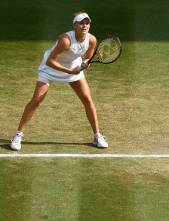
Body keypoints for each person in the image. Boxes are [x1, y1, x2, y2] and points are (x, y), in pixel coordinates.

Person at [10, 12, 107, 151]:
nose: (84, 25)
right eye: (81, 22)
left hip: (73, 68)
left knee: (87, 100)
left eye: (87, 22)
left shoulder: (92, 40)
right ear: (74, 25)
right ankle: (18, 135)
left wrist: (85, 62)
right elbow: (50, 61)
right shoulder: (65, 40)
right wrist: (70, 71)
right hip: (50, 69)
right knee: (37, 100)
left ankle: (97, 135)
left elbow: (88, 56)